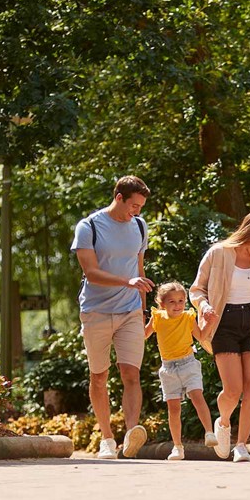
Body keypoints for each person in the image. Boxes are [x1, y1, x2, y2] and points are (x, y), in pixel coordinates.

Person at [71, 175, 155, 459]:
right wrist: (126, 282)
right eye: (134, 205)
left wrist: (143, 312)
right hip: (96, 310)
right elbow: (91, 273)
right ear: (118, 198)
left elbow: (140, 272)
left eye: (141, 206)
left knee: (131, 373)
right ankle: (107, 438)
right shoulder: (89, 227)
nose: (137, 212)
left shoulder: (140, 227)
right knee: (99, 376)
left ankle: (131, 435)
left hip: (130, 310)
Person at [190, 211, 250, 462]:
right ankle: (224, 421)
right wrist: (204, 306)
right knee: (232, 389)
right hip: (223, 321)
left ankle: (241, 444)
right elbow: (196, 289)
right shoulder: (219, 253)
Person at [144, 281, 218, 461]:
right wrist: (136, 319)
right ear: (162, 304)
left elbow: (200, 336)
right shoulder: (158, 318)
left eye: (181, 301)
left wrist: (209, 322)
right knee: (174, 408)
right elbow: (143, 335)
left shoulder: (187, 317)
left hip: (188, 364)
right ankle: (177, 447)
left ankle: (209, 432)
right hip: (168, 368)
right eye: (172, 302)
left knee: (197, 396)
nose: (177, 305)